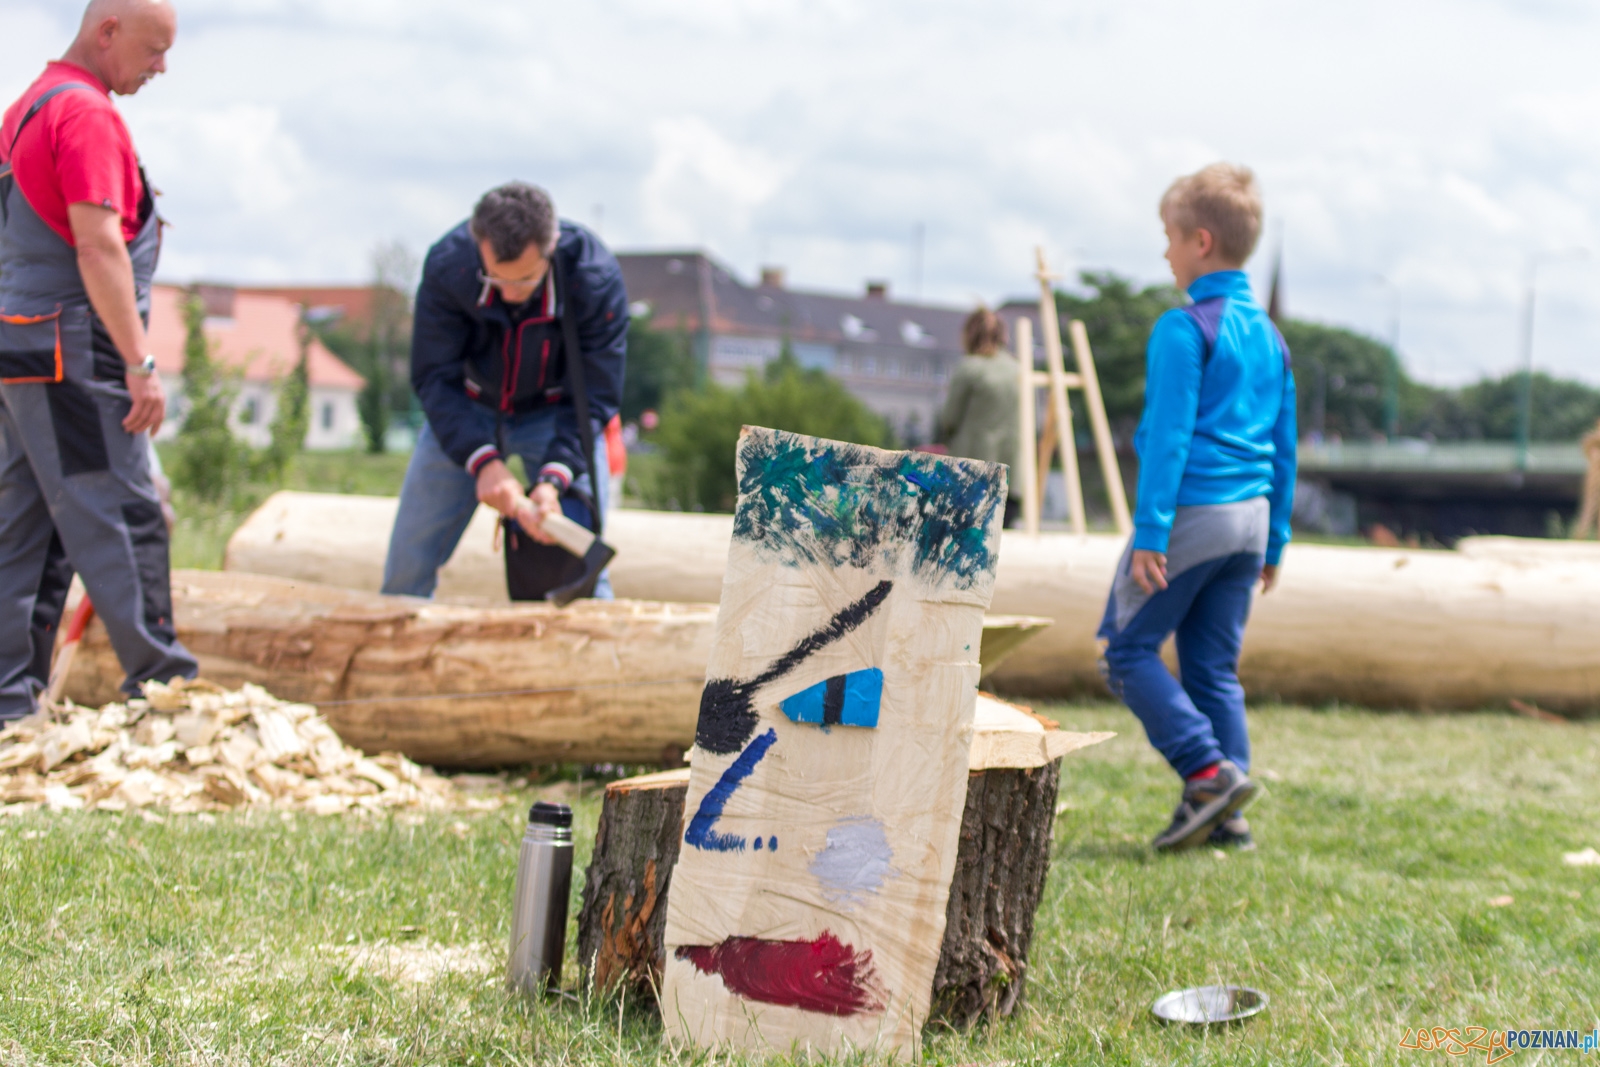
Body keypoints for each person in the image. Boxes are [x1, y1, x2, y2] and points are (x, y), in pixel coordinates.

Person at [0, 0, 198, 721]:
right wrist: (139, 363)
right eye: (153, 50)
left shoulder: (29, 103)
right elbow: (99, 245)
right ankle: (166, 688)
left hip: (22, 345)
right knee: (120, 509)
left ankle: (9, 707)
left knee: (26, 527)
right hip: (74, 353)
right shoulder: (85, 114)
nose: (161, 68)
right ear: (106, 31)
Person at [1096, 163, 1297, 852]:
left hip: (1194, 514)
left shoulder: (1184, 330)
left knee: (1125, 651)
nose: (1166, 252)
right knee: (1212, 668)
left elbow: (1169, 439)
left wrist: (1151, 529)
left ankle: (1208, 772)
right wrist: (1276, 539)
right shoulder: (1270, 336)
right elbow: (1284, 442)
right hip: (1250, 521)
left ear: (1201, 241)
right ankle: (1228, 817)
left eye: (1170, 238)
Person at [383, 182, 627, 598]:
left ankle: (588, 657)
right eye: (495, 277)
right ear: (479, 244)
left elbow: (595, 396)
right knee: (408, 562)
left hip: (557, 417)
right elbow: (434, 377)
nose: (510, 293)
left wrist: (553, 479)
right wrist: (481, 461)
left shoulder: (594, 279)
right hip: (468, 410)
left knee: (584, 565)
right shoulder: (449, 266)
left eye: (526, 279)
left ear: (552, 246)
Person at [939, 307, 1023, 527]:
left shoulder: (969, 368)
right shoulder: (1019, 369)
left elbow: (949, 419)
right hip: (1012, 475)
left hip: (970, 473)